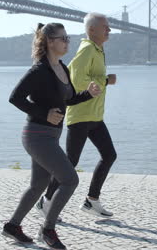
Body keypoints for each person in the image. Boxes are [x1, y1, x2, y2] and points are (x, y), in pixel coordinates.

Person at [2, 22, 101, 250]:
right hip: (36, 135)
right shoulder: (38, 71)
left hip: (51, 136)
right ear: (50, 41)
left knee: (38, 185)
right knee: (70, 179)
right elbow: (15, 98)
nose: (67, 42)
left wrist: (89, 94)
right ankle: (48, 230)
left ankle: (12, 226)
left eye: (67, 38)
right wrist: (44, 113)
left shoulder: (63, 68)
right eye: (63, 38)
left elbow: (67, 100)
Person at [37, 13, 117, 219]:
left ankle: (92, 200)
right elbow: (78, 80)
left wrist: (103, 80)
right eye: (105, 26)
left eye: (108, 27)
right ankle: (46, 201)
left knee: (109, 155)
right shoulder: (87, 49)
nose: (109, 29)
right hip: (80, 115)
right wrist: (105, 80)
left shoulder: (98, 50)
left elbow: (88, 79)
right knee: (70, 162)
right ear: (92, 30)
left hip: (95, 116)